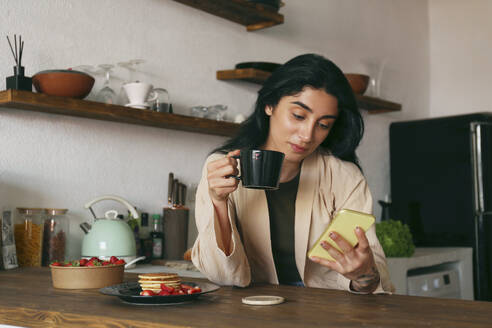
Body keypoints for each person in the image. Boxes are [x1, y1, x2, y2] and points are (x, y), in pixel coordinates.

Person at [191, 54, 394, 294]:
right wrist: (218, 202)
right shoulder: (222, 169)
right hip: (250, 312)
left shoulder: (345, 178)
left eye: (323, 124)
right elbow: (224, 276)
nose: (308, 135)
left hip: (326, 314)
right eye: (298, 115)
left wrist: (363, 275)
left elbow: (373, 283)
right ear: (269, 105)